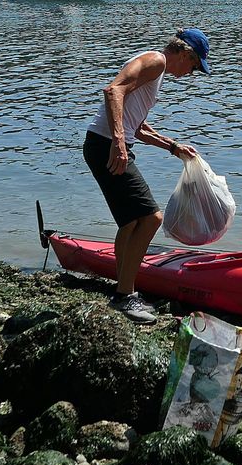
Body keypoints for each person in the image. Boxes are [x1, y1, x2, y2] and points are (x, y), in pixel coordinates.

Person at [84, 27, 211, 323]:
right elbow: (113, 90)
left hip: (104, 144)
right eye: (193, 66)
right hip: (106, 145)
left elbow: (138, 127)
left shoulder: (157, 71)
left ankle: (121, 288)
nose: (191, 74)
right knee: (152, 217)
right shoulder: (156, 61)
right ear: (184, 53)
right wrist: (118, 142)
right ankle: (125, 296)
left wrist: (174, 147)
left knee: (130, 223)